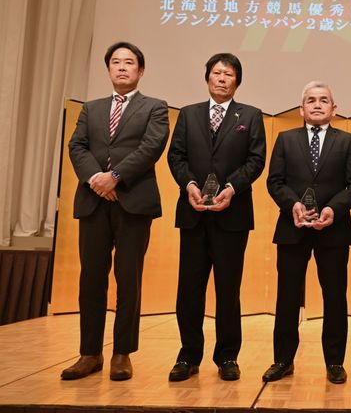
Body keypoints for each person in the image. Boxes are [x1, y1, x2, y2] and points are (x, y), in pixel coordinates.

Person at [64, 42, 169, 381]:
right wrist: (97, 178)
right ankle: (89, 353)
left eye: (129, 62)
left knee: (128, 279)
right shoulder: (91, 108)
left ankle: (122, 353)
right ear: (108, 69)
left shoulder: (155, 107)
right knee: (91, 279)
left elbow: (151, 147)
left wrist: (116, 177)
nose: (122, 67)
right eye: (115, 62)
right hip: (93, 201)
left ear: (141, 70)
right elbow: (76, 146)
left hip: (133, 202)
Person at [166, 53, 266, 381]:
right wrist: (189, 185)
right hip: (193, 212)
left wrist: (232, 188)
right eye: (217, 73)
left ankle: (227, 356)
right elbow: (176, 156)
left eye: (229, 74)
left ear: (238, 81)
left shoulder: (249, 115)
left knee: (228, 289)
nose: (222, 79)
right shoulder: (188, 114)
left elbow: (256, 160)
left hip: (232, 214)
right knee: (189, 289)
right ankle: (188, 355)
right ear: (207, 77)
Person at [262, 81, 351, 384]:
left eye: (323, 100)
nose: (317, 105)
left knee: (335, 297)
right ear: (301, 108)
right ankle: (283, 360)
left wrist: (333, 209)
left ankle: (334, 362)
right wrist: (292, 205)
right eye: (311, 100)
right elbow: (274, 181)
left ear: (334, 108)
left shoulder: (347, 141)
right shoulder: (285, 139)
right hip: (292, 228)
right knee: (287, 296)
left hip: (334, 230)